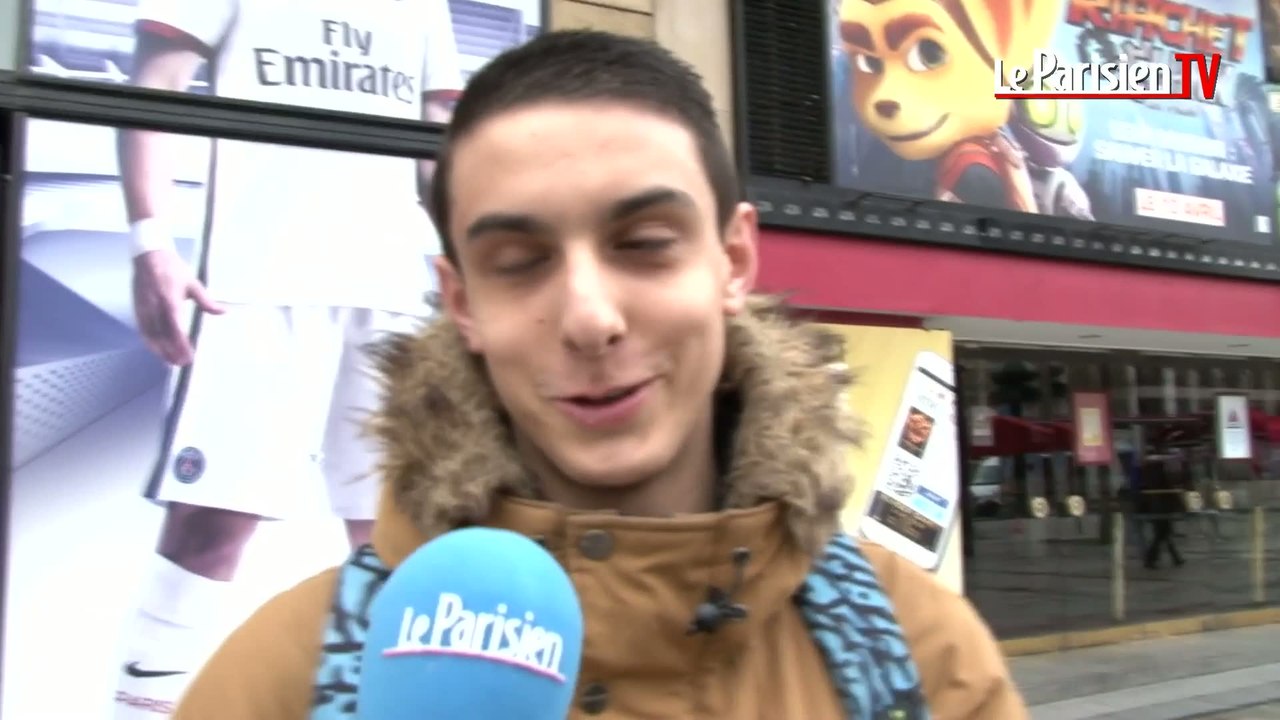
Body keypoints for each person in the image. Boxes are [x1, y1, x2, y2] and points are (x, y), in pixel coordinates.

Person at [172, 30, 1028, 719]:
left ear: (732, 260)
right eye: (519, 261)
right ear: (460, 302)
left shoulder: (918, 658)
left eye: (645, 245)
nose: (589, 317)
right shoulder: (283, 679)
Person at [114, 0, 463, 715]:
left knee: (393, 538)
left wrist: (476, 261)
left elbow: (437, 148)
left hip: (391, 292)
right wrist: (150, 240)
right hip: (256, 284)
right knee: (207, 529)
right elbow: (158, 78)